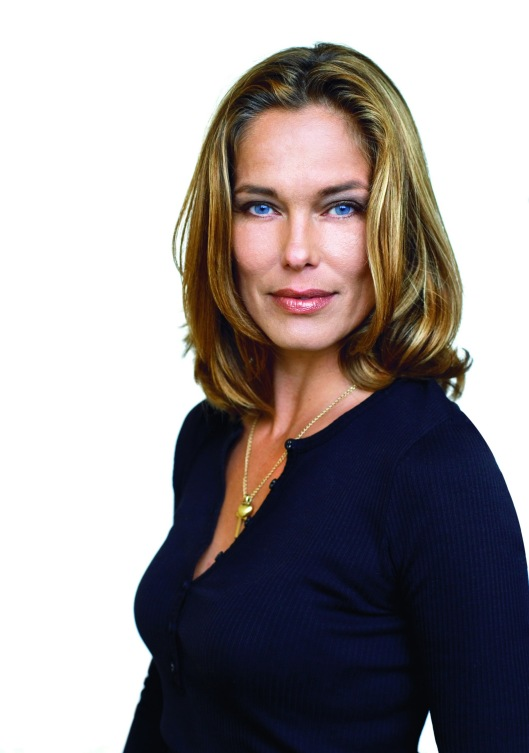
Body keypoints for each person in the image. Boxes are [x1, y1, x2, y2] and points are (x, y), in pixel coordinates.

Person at [123, 43, 529, 752]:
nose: (297, 251)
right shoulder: (210, 434)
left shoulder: (434, 472)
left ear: (391, 226)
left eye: (340, 207)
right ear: (224, 228)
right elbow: (177, 691)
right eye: (261, 206)